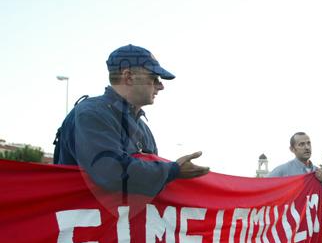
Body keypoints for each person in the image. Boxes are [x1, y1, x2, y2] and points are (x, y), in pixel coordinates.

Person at [54, 44, 209, 196]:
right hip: (81, 212)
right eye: (154, 78)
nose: (161, 86)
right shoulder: (91, 114)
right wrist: (173, 170)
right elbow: (110, 172)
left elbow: (148, 186)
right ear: (128, 77)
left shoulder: (143, 129)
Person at [268, 132, 322, 197]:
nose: (307, 147)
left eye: (308, 143)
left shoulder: (318, 171)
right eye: (301, 144)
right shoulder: (282, 171)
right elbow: (265, 189)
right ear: (292, 149)